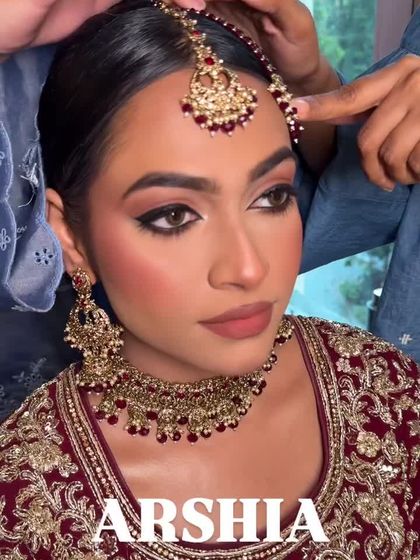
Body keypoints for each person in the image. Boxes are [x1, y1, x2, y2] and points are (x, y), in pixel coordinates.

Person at [0, 2, 418, 558]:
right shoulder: (28, 496)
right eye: (173, 215)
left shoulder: (384, 393)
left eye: (271, 196)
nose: (248, 269)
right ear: (70, 237)